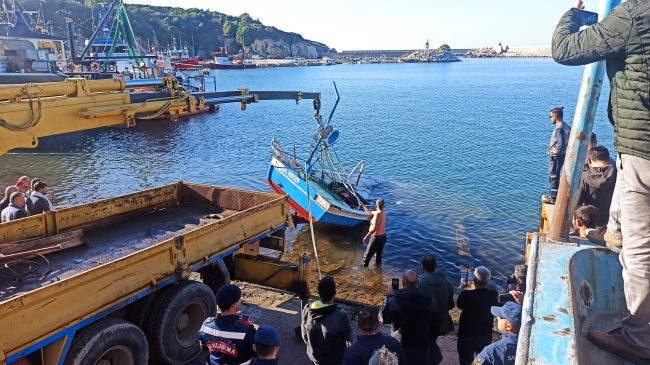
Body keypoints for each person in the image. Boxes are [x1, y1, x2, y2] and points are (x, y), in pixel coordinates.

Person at [553, 0, 650, 361]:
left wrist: (574, 14)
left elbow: (564, 48)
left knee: (639, 250)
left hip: (643, 148)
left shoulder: (635, 14)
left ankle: (640, 338)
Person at [380, 270, 441, 365]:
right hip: (422, 346)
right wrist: (428, 339)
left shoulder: (393, 302)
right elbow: (437, 327)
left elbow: (382, 319)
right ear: (418, 283)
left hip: (399, 345)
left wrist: (388, 297)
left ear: (402, 283)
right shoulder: (431, 302)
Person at [199, 284, 256, 365]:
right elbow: (256, 351)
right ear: (234, 305)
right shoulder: (246, 330)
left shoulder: (205, 326)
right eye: (239, 299)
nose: (241, 300)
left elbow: (204, 347)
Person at [302, 276, 353, 365]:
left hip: (315, 358)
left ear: (318, 293)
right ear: (335, 293)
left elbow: (305, 337)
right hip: (335, 360)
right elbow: (349, 338)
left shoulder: (307, 310)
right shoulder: (341, 315)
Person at [457, 267, 500, 365]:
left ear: (474, 280)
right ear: (489, 280)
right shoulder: (493, 294)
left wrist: (468, 288)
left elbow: (459, 305)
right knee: (482, 360)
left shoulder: (466, 295)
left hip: (466, 335)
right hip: (484, 334)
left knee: (465, 360)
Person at [418, 255, 455, 365]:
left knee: (427, 343)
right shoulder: (446, 282)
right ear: (436, 266)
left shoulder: (420, 282)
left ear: (422, 267)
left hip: (426, 322)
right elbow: (451, 304)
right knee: (432, 340)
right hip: (442, 321)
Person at [578, 146, 617, 227]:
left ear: (588, 160)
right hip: (613, 222)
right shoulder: (618, 173)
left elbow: (578, 203)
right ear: (609, 160)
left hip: (590, 222)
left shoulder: (583, 177)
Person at [542, 107, 572, 204]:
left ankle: (553, 197)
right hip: (563, 155)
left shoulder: (558, 129)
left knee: (553, 175)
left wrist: (557, 151)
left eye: (550, 116)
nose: (550, 118)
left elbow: (561, 142)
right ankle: (555, 195)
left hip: (556, 157)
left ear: (555, 117)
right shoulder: (567, 126)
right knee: (557, 174)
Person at [360, 198, 387, 267]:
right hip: (383, 237)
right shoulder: (383, 213)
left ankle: (363, 272)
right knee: (378, 256)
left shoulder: (377, 214)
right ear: (384, 206)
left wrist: (366, 236)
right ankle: (378, 271)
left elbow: (373, 229)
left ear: (376, 206)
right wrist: (363, 206)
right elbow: (370, 212)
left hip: (376, 239)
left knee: (366, 259)